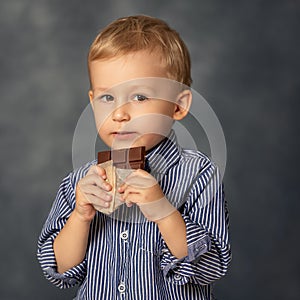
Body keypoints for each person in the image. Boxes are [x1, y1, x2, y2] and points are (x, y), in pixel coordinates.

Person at [37, 15, 231, 299]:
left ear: (178, 106)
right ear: (92, 102)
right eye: (107, 98)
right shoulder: (79, 183)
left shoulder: (199, 174)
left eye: (139, 97)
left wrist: (164, 212)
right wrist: (80, 216)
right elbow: (61, 271)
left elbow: (210, 266)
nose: (119, 114)